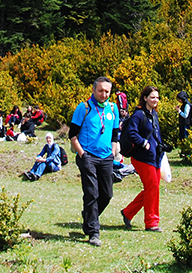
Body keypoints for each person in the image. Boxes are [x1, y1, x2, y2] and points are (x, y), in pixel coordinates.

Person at [69, 76, 121, 247]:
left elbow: (114, 134)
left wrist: (113, 152)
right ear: (93, 90)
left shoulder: (113, 109)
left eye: (107, 91)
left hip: (106, 157)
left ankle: (88, 217)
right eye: (101, 90)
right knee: (92, 193)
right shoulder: (83, 108)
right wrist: (82, 154)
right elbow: (72, 135)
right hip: (88, 156)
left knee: (107, 194)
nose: (104, 94)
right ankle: (93, 232)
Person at [120, 86, 165, 232]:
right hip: (142, 158)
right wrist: (143, 143)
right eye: (152, 97)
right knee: (152, 187)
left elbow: (155, 135)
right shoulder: (139, 115)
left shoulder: (154, 114)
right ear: (145, 98)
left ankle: (128, 212)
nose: (155, 100)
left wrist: (162, 146)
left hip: (154, 157)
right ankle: (151, 223)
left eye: (157, 97)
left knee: (153, 188)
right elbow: (131, 133)